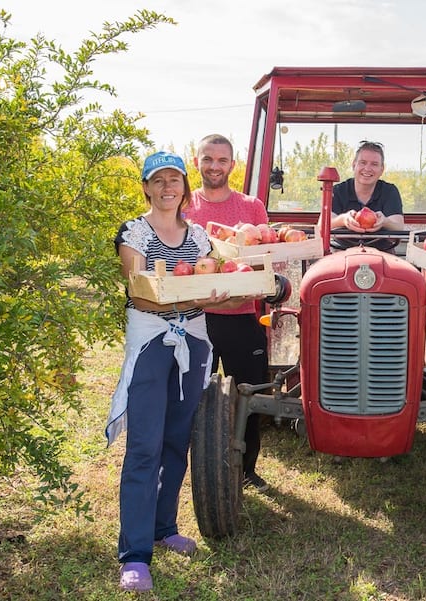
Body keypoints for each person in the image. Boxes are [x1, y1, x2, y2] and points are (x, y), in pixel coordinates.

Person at [108, 150, 234, 592]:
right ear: (145, 186)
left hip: (193, 342)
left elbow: (210, 282)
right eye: (157, 181)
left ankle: (164, 527)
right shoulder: (134, 233)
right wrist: (197, 298)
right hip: (151, 343)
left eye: (174, 180)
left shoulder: (198, 236)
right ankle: (135, 554)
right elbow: (142, 296)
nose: (167, 188)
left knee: (177, 440)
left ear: (184, 186)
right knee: (144, 445)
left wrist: (215, 297)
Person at [183, 133, 272, 493]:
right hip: (195, 318)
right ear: (196, 162)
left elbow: (264, 259)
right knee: (190, 393)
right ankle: (196, 469)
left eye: (222, 160)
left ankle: (246, 469)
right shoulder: (184, 208)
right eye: (208, 159)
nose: (214, 166)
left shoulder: (252, 207)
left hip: (240, 316)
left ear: (233, 165)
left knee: (247, 395)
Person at [321, 141, 404, 251]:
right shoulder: (338, 191)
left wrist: (384, 221)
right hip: (341, 251)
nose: (367, 168)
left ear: (381, 169)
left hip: (382, 252)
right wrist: (343, 219)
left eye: (374, 164)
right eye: (363, 162)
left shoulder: (389, 191)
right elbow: (321, 225)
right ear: (354, 165)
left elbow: (398, 227)